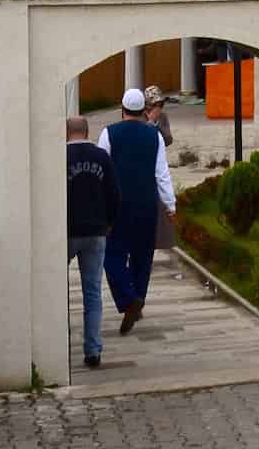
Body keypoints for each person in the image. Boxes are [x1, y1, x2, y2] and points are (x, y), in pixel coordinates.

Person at [99, 88, 176, 334]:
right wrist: (170, 204)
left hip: (117, 205)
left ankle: (128, 299)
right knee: (142, 257)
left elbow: (102, 169)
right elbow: (161, 173)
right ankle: (138, 300)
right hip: (146, 204)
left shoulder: (108, 133)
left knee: (112, 256)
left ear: (122, 110)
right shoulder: (154, 137)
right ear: (144, 111)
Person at [66, 115, 120, 369]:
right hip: (96, 231)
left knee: (55, 290)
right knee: (92, 292)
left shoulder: (60, 158)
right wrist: (109, 223)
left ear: (66, 132)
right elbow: (114, 194)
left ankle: (55, 345)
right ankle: (93, 349)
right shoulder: (102, 157)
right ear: (87, 131)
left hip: (66, 232)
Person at [144, 86, 176, 252]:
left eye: (161, 105)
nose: (160, 108)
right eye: (157, 104)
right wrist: (149, 123)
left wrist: (156, 125)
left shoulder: (162, 117)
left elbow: (169, 139)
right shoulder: (140, 117)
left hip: (158, 160)